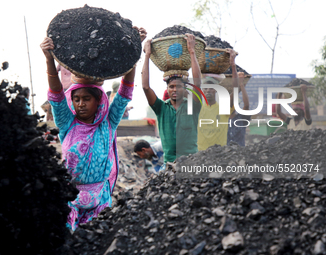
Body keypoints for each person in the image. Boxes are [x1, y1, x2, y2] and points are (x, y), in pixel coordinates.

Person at [40, 27, 147, 231]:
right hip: (71, 196)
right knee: (70, 238)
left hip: (100, 198)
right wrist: (48, 58)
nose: (80, 104)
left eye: (86, 99)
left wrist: (135, 52)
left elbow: (125, 93)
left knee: (96, 240)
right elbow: (55, 94)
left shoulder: (108, 123)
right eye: (77, 99)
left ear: (99, 101)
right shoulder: (67, 123)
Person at [142, 34, 202, 164]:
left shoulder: (193, 106)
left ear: (185, 88)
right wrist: (147, 55)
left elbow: (198, 85)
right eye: (171, 87)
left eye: (179, 86)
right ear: (167, 89)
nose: (175, 90)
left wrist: (192, 52)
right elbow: (146, 87)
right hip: (169, 164)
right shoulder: (161, 108)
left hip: (192, 163)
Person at [197, 49, 239, 151]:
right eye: (205, 88)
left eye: (211, 88)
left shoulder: (223, 108)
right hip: (199, 155)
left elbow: (235, 89)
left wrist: (233, 65)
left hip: (219, 154)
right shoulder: (197, 109)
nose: (208, 91)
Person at [227, 72, 250, 146]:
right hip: (224, 154)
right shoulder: (222, 118)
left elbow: (246, 106)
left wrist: (241, 85)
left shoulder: (241, 119)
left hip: (239, 154)